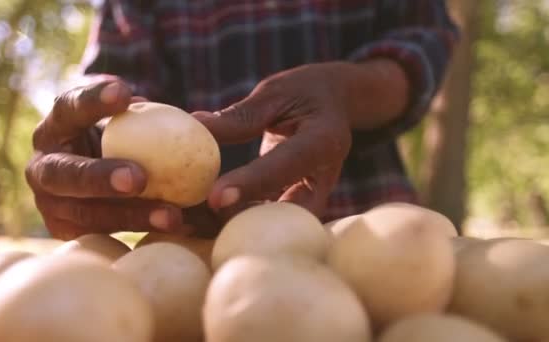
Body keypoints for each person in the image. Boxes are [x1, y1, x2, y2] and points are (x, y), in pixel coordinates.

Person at [25, 0, 459, 239]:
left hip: (373, 239)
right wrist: (87, 137)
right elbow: (117, 82)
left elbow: (422, 40)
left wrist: (344, 92)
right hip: (192, 256)